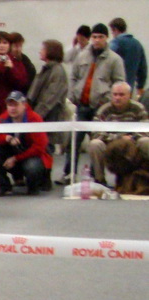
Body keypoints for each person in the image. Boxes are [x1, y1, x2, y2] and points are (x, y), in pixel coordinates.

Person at [59, 23, 126, 184]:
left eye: (100, 37)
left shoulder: (114, 59)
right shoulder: (82, 56)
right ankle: (69, 173)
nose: (97, 40)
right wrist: (73, 95)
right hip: (82, 106)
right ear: (91, 38)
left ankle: (99, 176)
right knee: (73, 141)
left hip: (102, 109)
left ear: (106, 38)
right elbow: (73, 77)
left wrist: (108, 100)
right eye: (94, 37)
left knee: (98, 144)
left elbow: (119, 83)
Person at [0, 91, 52, 195]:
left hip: (32, 155)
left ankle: (38, 182)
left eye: (16, 105)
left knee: (32, 168)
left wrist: (16, 158)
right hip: (13, 153)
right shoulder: (3, 118)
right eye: (9, 105)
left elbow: (39, 147)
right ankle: (3, 186)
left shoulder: (34, 118)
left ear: (24, 105)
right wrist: (6, 138)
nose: (12, 108)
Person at [87, 82, 149, 185]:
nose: (117, 98)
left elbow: (146, 128)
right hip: (111, 144)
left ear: (129, 95)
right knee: (95, 144)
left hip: (133, 143)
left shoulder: (138, 108)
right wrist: (118, 138)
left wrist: (131, 138)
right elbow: (95, 132)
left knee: (146, 141)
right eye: (115, 94)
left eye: (121, 95)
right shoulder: (103, 110)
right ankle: (100, 180)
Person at [27, 39, 69, 151]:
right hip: (42, 119)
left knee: (46, 151)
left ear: (50, 51)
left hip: (49, 120)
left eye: (43, 49)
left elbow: (50, 98)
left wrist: (35, 117)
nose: (40, 51)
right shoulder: (48, 69)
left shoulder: (57, 71)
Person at [108, 18, 146, 97]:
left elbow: (106, 59)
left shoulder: (116, 43)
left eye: (112, 32)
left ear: (115, 29)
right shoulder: (137, 44)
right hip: (129, 89)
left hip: (115, 90)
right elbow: (143, 68)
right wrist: (140, 86)